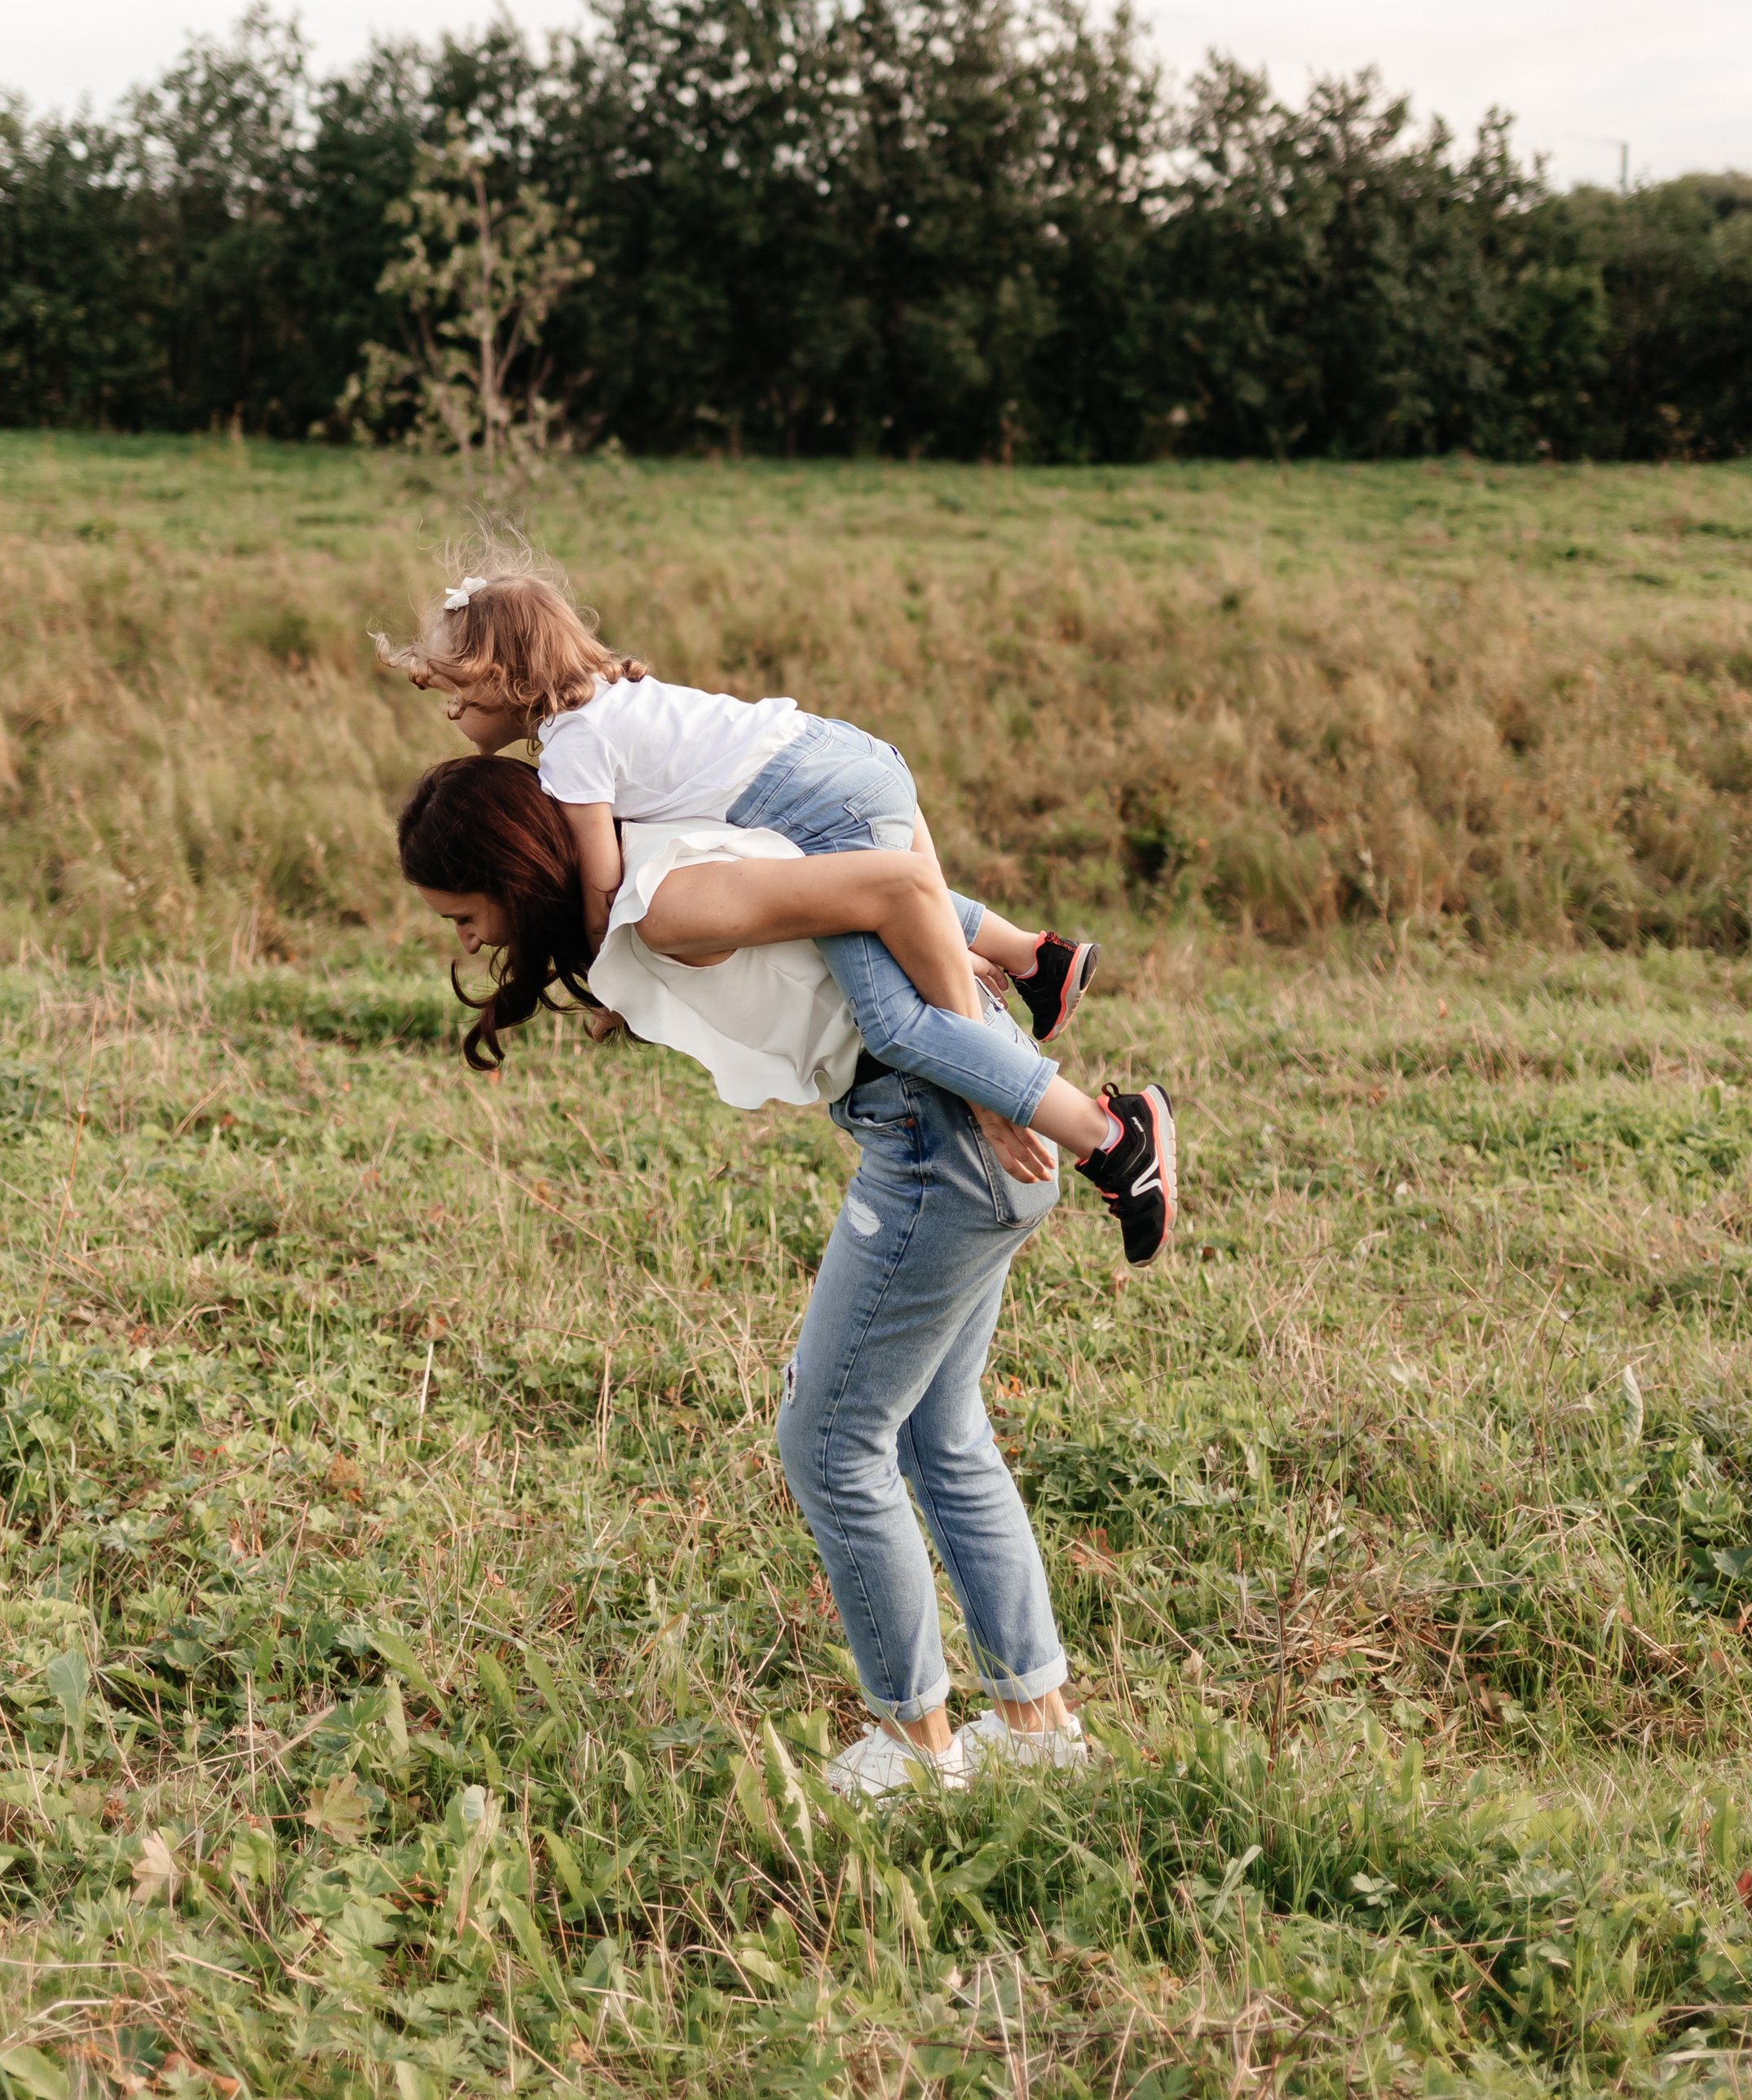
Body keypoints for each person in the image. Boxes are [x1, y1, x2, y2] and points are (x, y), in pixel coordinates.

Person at [395, 754, 1177, 1796]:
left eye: (463, 915)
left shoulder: (670, 899)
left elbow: (893, 884)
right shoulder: (655, 879)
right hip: (952, 1126)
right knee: (937, 1429)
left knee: (828, 1440)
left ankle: (914, 1748)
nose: (470, 940)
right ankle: (1036, 1729)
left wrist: (1000, 1086)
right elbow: (848, 900)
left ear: (514, 866)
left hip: (938, 1136)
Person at [380, 549, 1174, 1262]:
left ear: (505, 679)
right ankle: (1035, 958)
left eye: (455, 692)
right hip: (841, 754)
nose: (450, 711)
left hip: (817, 806)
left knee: (898, 1019)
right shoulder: (621, 707)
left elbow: (600, 887)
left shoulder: (576, 753)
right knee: (879, 908)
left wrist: (614, 965)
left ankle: (1109, 1135)